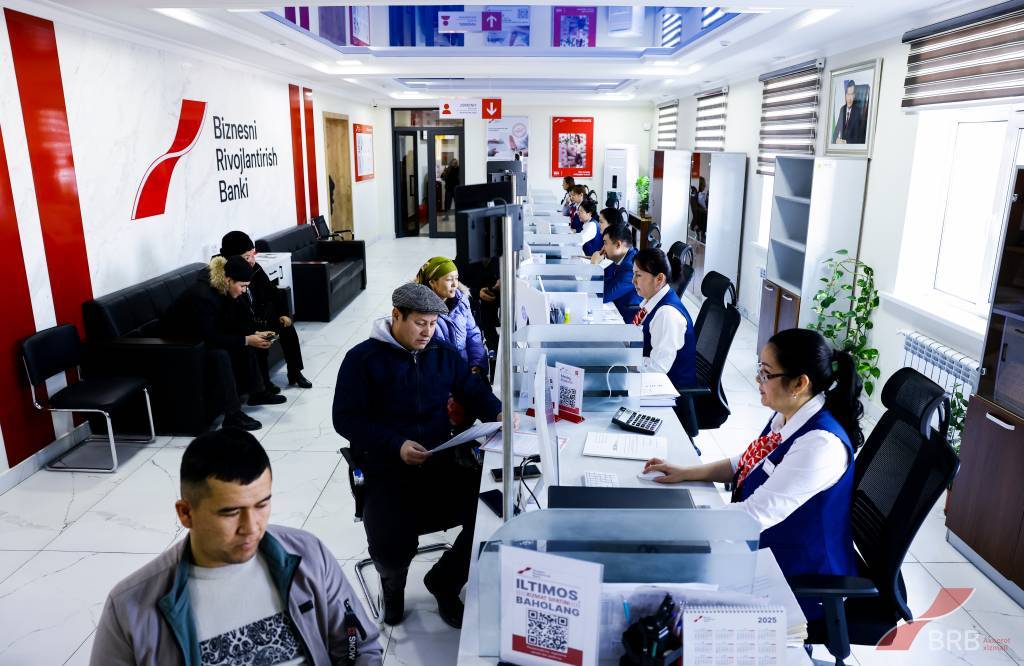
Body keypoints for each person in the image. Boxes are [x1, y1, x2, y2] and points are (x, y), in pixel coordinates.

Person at [90, 428, 383, 665]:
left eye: (262, 505)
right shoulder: (130, 607)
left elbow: (358, 646)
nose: (252, 527)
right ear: (186, 513)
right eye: (230, 512)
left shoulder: (308, 555)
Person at [643, 328, 863, 620]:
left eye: (766, 373)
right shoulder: (789, 413)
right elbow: (749, 462)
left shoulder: (820, 445)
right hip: (765, 548)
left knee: (667, 593)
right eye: (760, 369)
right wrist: (687, 472)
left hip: (800, 578)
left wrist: (672, 525)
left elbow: (752, 516)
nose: (758, 380)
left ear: (799, 383)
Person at [332, 283, 502, 629]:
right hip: (387, 469)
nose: (428, 332)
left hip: (438, 462)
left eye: (433, 324)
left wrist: (497, 412)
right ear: (396, 316)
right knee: (391, 548)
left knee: (493, 512)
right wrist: (395, 444)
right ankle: (393, 586)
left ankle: (444, 581)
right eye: (420, 323)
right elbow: (345, 419)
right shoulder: (362, 360)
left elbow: (472, 390)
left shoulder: (441, 353)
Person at [160, 255, 284, 431]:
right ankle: (232, 415)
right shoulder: (204, 296)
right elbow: (210, 337)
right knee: (221, 355)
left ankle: (257, 392)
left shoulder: (223, 289)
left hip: (199, 339)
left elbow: (230, 323)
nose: (244, 291)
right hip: (179, 348)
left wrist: (253, 334)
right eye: (242, 286)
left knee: (245, 343)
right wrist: (246, 339)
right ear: (228, 280)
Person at [219, 231, 312, 392]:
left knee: (287, 328)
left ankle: (295, 372)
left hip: (262, 318)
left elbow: (273, 293)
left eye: (252, 255)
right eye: (247, 257)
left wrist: (283, 313)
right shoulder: (227, 279)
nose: (252, 260)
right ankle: (264, 384)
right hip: (246, 326)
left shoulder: (255, 268)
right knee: (259, 339)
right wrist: (254, 329)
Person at [631, 248, 696, 388]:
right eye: (633, 274)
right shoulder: (652, 301)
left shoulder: (666, 314)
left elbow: (657, 368)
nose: (633, 281)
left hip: (669, 389)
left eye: (638, 275)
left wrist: (625, 363)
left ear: (659, 279)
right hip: (651, 379)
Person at [416, 255, 487, 373]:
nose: (455, 284)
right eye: (449, 280)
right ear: (432, 282)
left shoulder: (461, 302)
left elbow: (472, 334)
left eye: (456, 278)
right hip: (439, 376)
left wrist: (477, 363)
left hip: (465, 370)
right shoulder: (419, 310)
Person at [593, 224, 642, 322]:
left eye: (605, 243)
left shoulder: (631, 266)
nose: (603, 248)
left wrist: (594, 266)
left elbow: (603, 296)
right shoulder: (626, 256)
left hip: (627, 315)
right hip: (619, 304)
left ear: (618, 245)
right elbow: (610, 280)